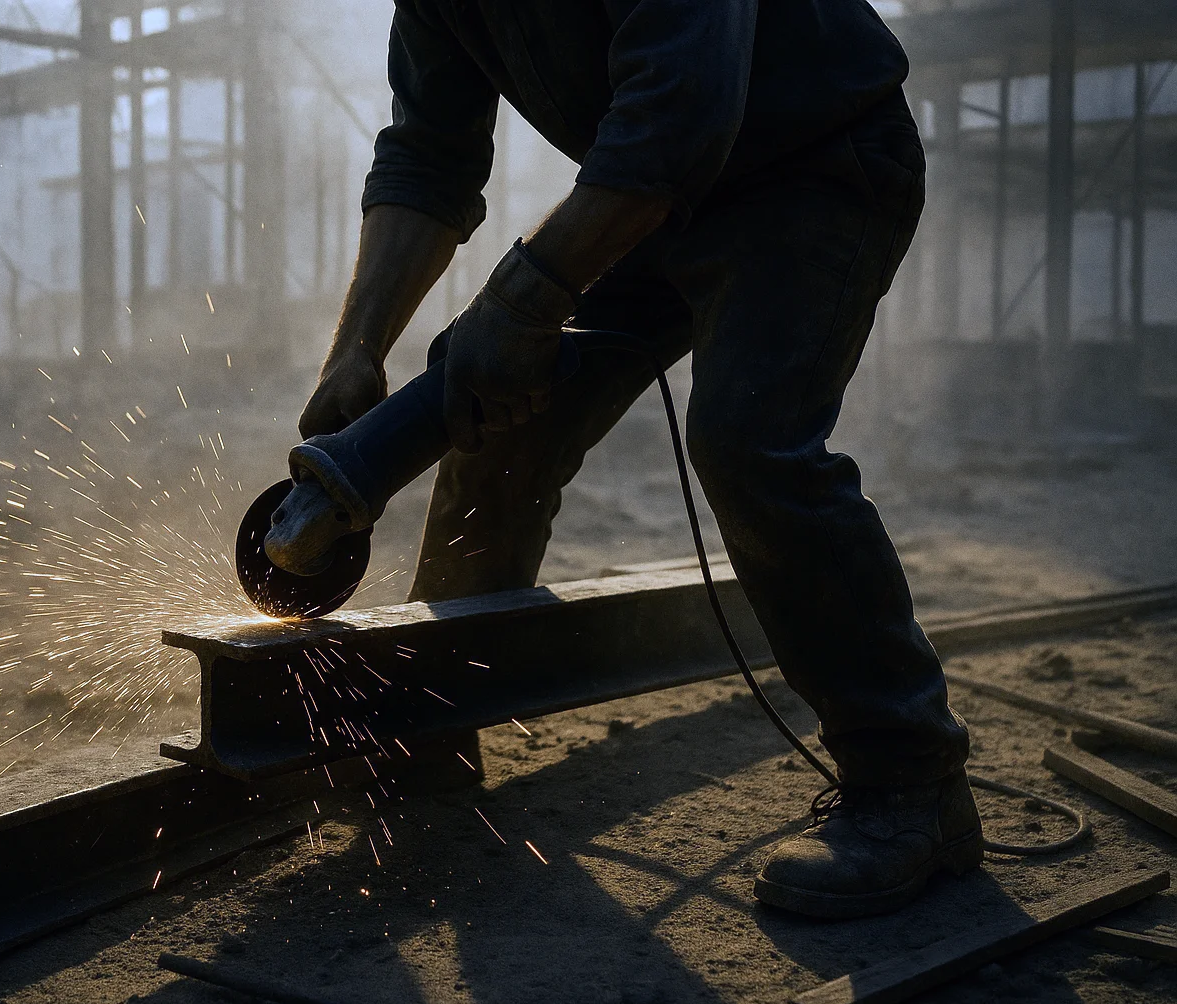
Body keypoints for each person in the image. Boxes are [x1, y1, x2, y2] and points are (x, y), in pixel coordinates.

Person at [298, 0, 977, 919]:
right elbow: (428, 156)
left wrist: (525, 298)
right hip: (655, 190)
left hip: (815, 163)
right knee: (491, 409)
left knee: (749, 444)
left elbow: (679, 109)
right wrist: (357, 347)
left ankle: (912, 786)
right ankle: (433, 726)